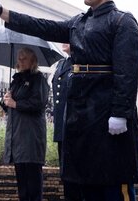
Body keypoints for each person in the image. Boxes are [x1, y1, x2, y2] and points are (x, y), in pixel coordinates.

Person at [0, 0, 138, 201]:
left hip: (106, 111)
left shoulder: (122, 22)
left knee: (111, 183)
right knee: (82, 183)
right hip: (80, 115)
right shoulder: (79, 22)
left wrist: (120, 112)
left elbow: (128, 74)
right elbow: (43, 26)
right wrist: (2, 12)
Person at [1, 47, 49, 201]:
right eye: (19, 58)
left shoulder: (39, 79)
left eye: (24, 58)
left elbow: (38, 103)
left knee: (33, 185)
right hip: (18, 138)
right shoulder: (17, 80)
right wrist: (5, 102)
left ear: (33, 61)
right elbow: (12, 108)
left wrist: (15, 103)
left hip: (31, 138)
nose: (20, 61)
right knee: (22, 186)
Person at [52, 44, 83, 200]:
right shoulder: (61, 63)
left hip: (74, 124)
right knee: (65, 172)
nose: (63, 42)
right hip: (61, 125)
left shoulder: (81, 61)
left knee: (76, 172)